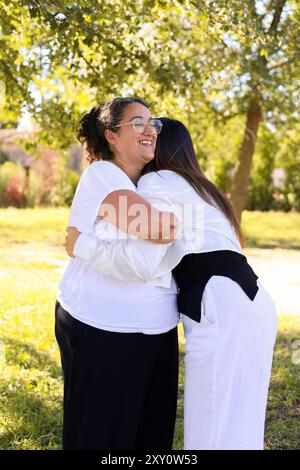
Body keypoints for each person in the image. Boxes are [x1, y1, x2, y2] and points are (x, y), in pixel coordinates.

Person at [66, 118, 278, 450]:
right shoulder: (204, 188)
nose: (145, 137)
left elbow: (143, 261)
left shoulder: (157, 182)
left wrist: (79, 244)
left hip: (218, 301)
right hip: (255, 301)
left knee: (209, 425)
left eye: (152, 134)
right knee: (242, 421)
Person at [55, 99, 180, 450]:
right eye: (137, 123)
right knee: (100, 436)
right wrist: (175, 220)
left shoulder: (157, 183)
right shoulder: (103, 174)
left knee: (150, 437)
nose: (150, 130)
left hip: (158, 331)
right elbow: (156, 226)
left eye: (152, 123)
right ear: (111, 135)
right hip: (100, 328)